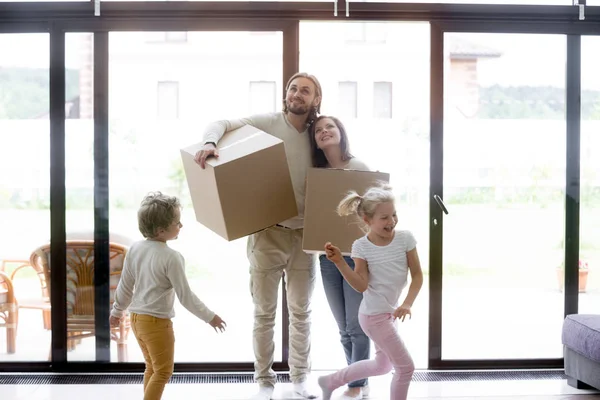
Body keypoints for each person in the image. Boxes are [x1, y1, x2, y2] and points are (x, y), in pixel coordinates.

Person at [194, 72, 323, 400]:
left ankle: (300, 378)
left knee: (302, 311)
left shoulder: (318, 135)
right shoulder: (267, 122)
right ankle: (264, 381)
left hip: (304, 238)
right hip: (268, 234)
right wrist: (210, 142)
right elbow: (221, 123)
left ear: (315, 100)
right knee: (264, 312)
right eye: (293, 88)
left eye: (304, 91)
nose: (296, 94)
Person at [110, 192, 226, 400]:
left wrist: (117, 311)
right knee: (163, 372)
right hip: (156, 323)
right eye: (177, 222)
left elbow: (126, 285)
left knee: (152, 368)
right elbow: (185, 296)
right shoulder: (171, 257)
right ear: (161, 230)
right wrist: (210, 316)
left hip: (137, 320)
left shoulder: (135, 249)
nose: (181, 226)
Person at [318, 184, 423, 400]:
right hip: (374, 316)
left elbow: (418, 276)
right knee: (405, 368)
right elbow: (361, 285)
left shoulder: (405, 239)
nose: (392, 221)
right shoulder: (361, 247)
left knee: (382, 366)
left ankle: (330, 381)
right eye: (384, 217)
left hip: (390, 313)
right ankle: (332, 382)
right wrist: (339, 261)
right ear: (367, 220)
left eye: (394, 215)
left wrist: (407, 303)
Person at [309, 115, 371, 400]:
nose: (324, 132)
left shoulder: (358, 168)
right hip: (328, 257)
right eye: (319, 130)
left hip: (356, 257)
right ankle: (355, 377)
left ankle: (357, 383)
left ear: (340, 132)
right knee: (343, 327)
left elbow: (375, 210)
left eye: (329, 127)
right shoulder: (317, 173)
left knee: (357, 326)